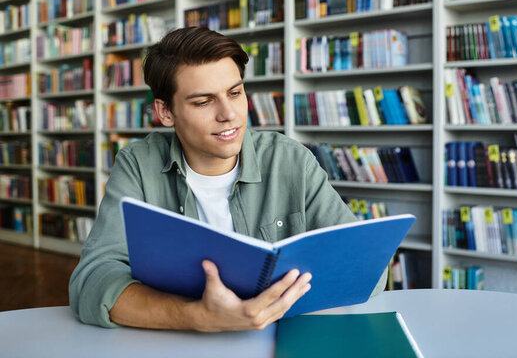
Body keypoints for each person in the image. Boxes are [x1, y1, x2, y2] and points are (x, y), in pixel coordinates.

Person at [69, 27, 386, 332]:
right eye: (203, 101)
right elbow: (91, 283)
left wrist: (267, 308)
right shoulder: (138, 165)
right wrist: (197, 317)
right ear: (165, 112)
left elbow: (367, 269)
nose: (229, 114)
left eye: (235, 93)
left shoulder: (292, 160)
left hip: (283, 337)